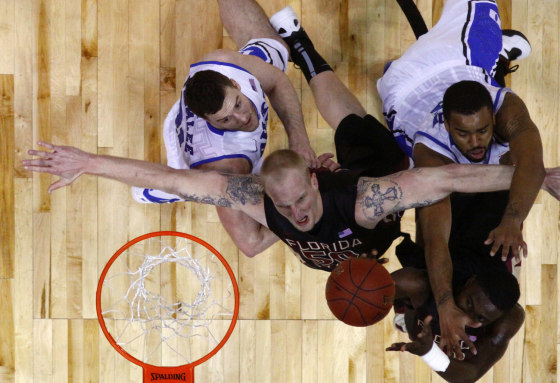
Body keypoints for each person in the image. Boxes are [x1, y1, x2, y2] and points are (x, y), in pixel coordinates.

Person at [22, 141, 560, 273]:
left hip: (377, 225)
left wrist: (539, 179)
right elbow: (164, 177)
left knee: (427, 183)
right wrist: (88, 162)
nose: (298, 214)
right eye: (286, 205)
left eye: (302, 199)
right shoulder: (259, 201)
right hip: (339, 257)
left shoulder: (367, 199)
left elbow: (454, 177)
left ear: (313, 178)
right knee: (218, 203)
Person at [376, 0, 546, 357]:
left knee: (511, 158)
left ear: (493, 117)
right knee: (434, 200)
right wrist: (442, 303)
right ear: (448, 125)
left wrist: (513, 221)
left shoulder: (507, 108)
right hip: (412, 84)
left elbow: (533, 164)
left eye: (483, 130)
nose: (475, 141)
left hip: (430, 71)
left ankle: (493, 64)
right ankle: (495, 59)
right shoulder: (431, 150)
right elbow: (435, 237)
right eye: (464, 134)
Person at [133, 0, 319, 257]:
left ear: (234, 83)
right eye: (225, 120)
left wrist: (299, 140)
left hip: (212, 137)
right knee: (249, 191)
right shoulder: (227, 169)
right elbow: (251, 243)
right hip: (213, 164)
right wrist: (310, 210)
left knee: (277, 48)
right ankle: (177, 188)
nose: (242, 118)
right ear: (208, 121)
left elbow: (277, 82)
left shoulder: (220, 62)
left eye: (238, 104)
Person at [387, 267, 524, 383]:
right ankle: (406, 310)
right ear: (469, 283)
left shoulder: (506, 322)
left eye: (480, 318)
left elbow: (471, 373)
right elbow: (376, 288)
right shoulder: (418, 284)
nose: (464, 319)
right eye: (468, 304)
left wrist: (429, 352)